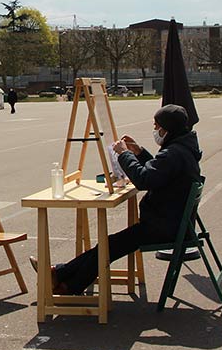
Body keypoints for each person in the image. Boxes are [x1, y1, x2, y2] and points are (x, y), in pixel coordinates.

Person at [31, 104, 202, 296]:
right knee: (109, 245)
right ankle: (62, 277)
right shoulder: (182, 148)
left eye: (157, 127)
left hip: (165, 227)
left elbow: (144, 180)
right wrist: (140, 152)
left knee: (109, 246)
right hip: (172, 221)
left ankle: (63, 279)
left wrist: (124, 154)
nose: (155, 131)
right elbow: (160, 173)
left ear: (166, 128)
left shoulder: (173, 153)